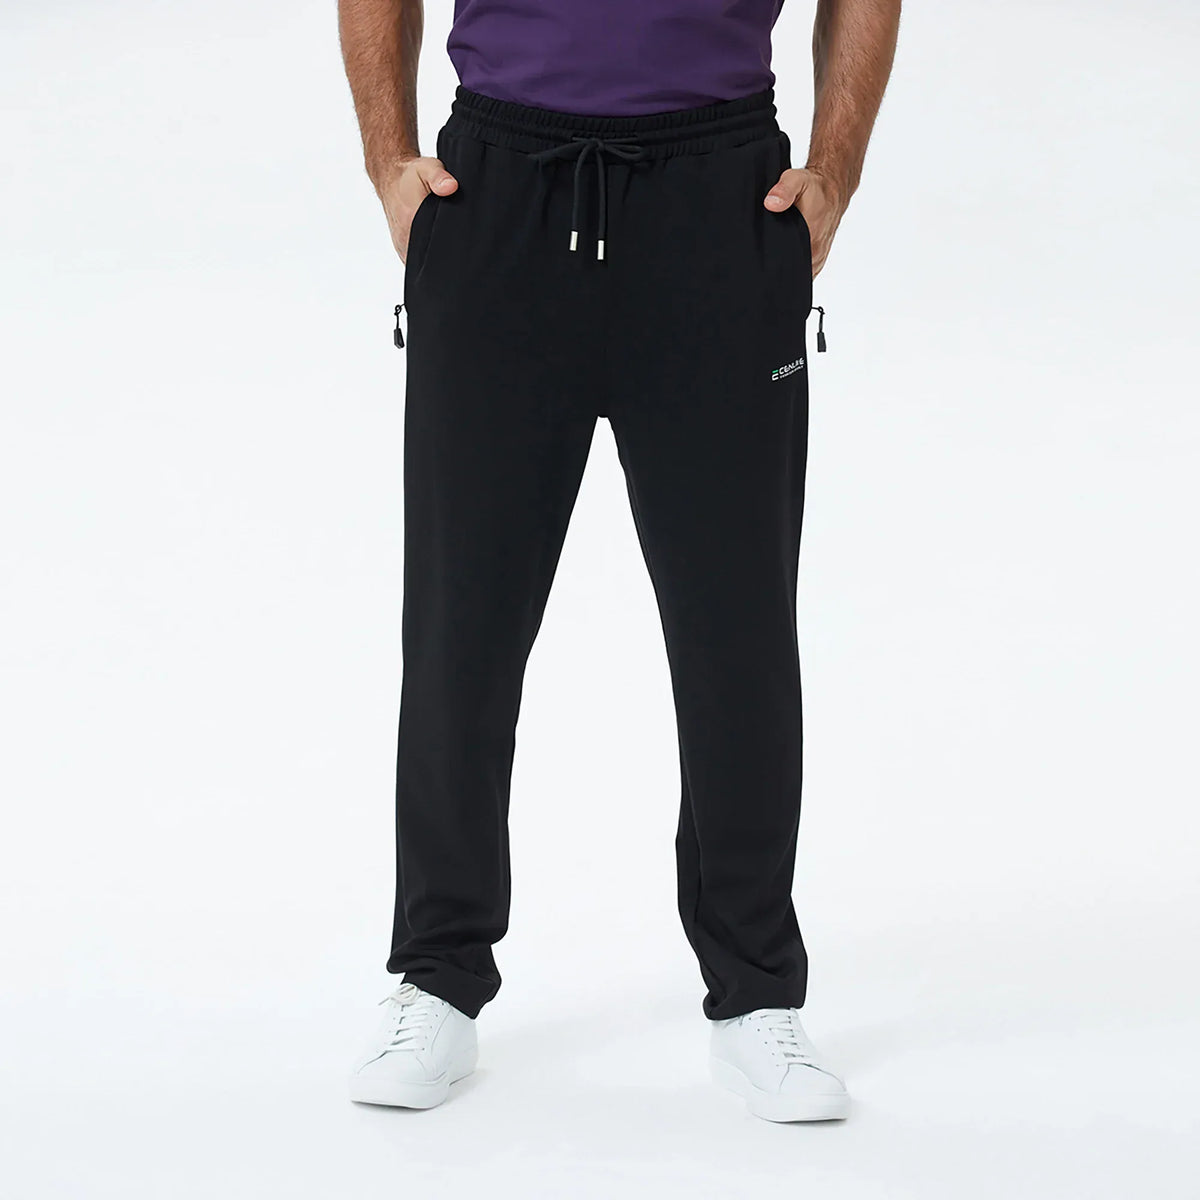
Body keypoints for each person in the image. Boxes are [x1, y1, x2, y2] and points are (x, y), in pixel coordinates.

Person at [338, 0, 900, 1122]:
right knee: (461, 624)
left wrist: (834, 172)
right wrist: (387, 161)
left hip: (720, 195)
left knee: (736, 631)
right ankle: (437, 976)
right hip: (497, 189)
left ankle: (756, 993)